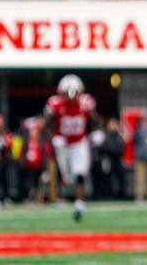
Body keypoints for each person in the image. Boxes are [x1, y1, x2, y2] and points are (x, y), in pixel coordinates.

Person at [44, 74, 97, 221]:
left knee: (79, 174)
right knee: (68, 177)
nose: (71, 96)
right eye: (67, 92)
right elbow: (46, 125)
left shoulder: (86, 103)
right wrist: (54, 137)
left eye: (74, 92)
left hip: (79, 143)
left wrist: (96, 133)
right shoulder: (56, 104)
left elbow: (94, 119)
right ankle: (64, 195)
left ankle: (79, 205)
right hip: (63, 145)